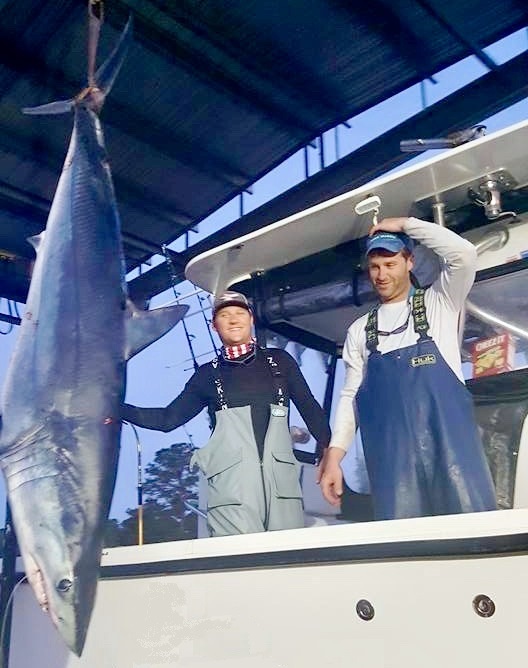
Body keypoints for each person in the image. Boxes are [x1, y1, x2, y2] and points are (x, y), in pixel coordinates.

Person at [319, 217, 497, 520]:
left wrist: (405, 224)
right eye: (375, 266)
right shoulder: (359, 331)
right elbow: (351, 396)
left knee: (474, 539)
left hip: (455, 463)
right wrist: (335, 455)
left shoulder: (440, 302)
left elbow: (463, 254)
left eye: (390, 264)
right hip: (395, 474)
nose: (382, 274)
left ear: (409, 261)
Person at [122, 290, 331, 537]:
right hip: (231, 496)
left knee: (287, 561)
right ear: (214, 326)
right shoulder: (206, 376)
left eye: (240, 313)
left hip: (282, 491)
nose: (233, 319)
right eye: (225, 315)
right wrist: (116, 409)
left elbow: (310, 408)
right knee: (242, 566)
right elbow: (168, 419)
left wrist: (329, 454)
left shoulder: (280, 361)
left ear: (251, 319)